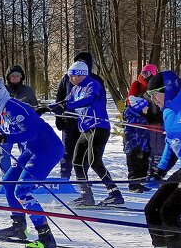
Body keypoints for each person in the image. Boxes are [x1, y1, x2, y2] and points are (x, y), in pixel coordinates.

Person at [0, 78, 61, 248]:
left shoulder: (13, 107)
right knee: (8, 183)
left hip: (47, 150)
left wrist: (3, 137)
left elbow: (28, 133)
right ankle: (19, 227)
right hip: (32, 150)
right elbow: (6, 130)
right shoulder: (0, 112)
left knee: (22, 191)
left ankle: (45, 237)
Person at [42, 61, 123, 207]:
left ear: (80, 74)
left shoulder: (93, 84)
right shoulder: (75, 89)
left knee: (94, 161)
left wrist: (67, 106)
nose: (69, 78)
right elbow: (65, 102)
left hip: (98, 127)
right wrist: (47, 108)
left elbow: (88, 100)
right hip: (85, 129)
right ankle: (87, 195)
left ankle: (115, 194)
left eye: (71, 75)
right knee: (77, 161)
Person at [135, 71, 181, 248]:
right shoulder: (168, 112)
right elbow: (171, 143)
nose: (152, 99)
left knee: (170, 210)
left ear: (168, 90)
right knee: (152, 208)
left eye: (155, 94)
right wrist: (159, 172)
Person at [53, 51, 98, 178]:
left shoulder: (94, 80)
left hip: (86, 122)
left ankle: (82, 178)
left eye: (83, 63)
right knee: (67, 151)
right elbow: (61, 99)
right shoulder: (67, 78)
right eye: (77, 62)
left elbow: (94, 101)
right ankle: (64, 176)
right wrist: (59, 115)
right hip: (69, 121)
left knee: (84, 152)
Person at [123, 96, 154, 193]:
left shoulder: (144, 116)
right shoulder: (132, 116)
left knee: (144, 164)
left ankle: (142, 182)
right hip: (133, 145)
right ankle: (133, 184)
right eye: (145, 107)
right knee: (134, 165)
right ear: (138, 107)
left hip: (144, 144)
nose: (148, 109)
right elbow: (131, 130)